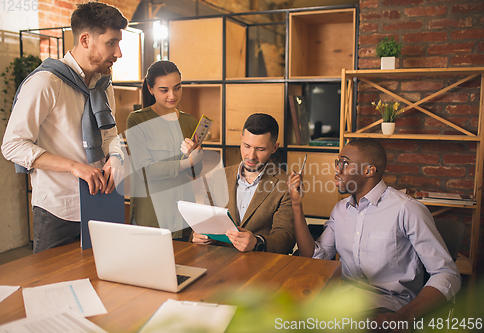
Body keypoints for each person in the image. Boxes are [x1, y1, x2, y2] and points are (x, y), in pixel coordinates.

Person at [288, 138, 461, 329]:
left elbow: (446, 273)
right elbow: (314, 257)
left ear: (369, 170)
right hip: (343, 302)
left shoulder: (407, 210)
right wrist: (296, 204)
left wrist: (405, 316)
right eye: (338, 163)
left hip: (389, 308)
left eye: (344, 163)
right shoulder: (340, 210)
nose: (337, 170)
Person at [1, 2, 128, 253]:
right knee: (52, 289)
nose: (119, 53)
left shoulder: (104, 86)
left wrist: (115, 156)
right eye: (111, 43)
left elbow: (110, 135)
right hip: (58, 212)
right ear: (85, 40)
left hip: (101, 204)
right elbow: (12, 145)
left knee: (103, 285)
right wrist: (73, 167)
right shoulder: (45, 83)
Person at [193, 113, 295, 254]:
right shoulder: (219, 177)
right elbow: (206, 222)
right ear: (241, 140)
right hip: (219, 261)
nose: (251, 156)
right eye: (246, 146)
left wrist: (257, 242)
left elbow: (287, 238)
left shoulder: (285, 184)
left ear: (274, 148)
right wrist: (200, 235)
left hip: (261, 266)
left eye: (260, 149)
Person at [126, 60, 202, 241]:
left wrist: (196, 158)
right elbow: (145, 170)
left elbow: (195, 172)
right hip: (151, 220)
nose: (172, 95)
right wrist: (187, 162)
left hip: (184, 219)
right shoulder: (137, 121)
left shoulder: (190, 122)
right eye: (164, 90)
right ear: (150, 89)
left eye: (177, 88)